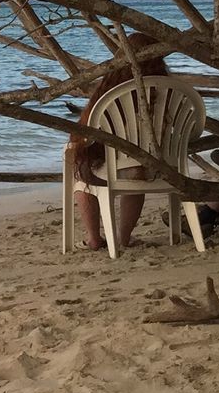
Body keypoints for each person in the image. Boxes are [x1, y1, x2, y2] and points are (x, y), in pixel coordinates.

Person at [67, 35, 169, 251]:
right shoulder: (169, 89)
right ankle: (124, 238)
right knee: (136, 170)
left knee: (81, 166)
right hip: (160, 166)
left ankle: (94, 238)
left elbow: (86, 131)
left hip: (119, 168)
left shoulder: (110, 89)